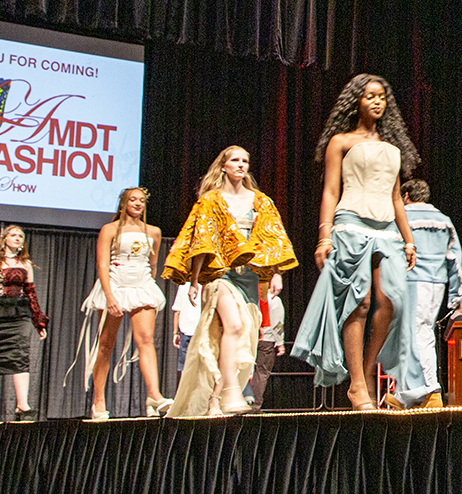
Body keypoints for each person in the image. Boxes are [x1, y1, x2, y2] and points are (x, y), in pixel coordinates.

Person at [291, 74, 421, 410]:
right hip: (351, 225)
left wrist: (408, 241)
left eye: (382, 97)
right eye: (370, 96)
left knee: (392, 302)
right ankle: (358, 387)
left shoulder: (393, 148)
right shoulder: (341, 142)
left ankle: (364, 370)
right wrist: (324, 236)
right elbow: (331, 191)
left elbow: (396, 198)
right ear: (356, 102)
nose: (377, 102)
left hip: (387, 230)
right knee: (359, 302)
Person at [162, 146, 298, 416]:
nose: (241, 164)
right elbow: (202, 241)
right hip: (220, 274)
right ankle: (233, 392)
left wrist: (276, 273)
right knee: (233, 326)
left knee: (241, 336)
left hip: (249, 277)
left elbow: (274, 240)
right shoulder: (211, 200)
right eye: (235, 160)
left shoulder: (261, 201)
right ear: (223, 166)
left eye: (245, 160)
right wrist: (194, 281)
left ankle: (216, 398)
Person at [70, 188, 171, 419]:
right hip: (115, 284)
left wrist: (147, 285)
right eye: (133, 199)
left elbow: (153, 264)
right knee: (106, 344)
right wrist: (109, 296)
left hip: (141, 284)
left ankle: (154, 395)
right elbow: (103, 265)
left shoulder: (153, 231)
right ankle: (98, 401)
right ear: (123, 203)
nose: (138, 204)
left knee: (146, 340)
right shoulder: (110, 229)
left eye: (142, 200)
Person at [387, 179, 462, 409]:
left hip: (412, 281)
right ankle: (406, 392)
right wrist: (457, 293)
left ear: (405, 196)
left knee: (415, 334)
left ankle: (429, 390)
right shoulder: (444, 220)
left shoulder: (403, 218)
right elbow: (455, 258)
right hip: (437, 283)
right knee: (422, 333)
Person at [0, 225, 48, 421]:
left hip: (19, 314)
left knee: (21, 355)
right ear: (4, 238)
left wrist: (38, 322)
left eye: (21, 236)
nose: (17, 238)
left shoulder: (26, 264)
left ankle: (22, 404)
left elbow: (31, 295)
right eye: (13, 235)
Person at [249, 273, 286, 411]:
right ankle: (254, 406)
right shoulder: (274, 300)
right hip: (267, 340)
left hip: (251, 338)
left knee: (248, 370)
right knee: (261, 373)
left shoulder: (252, 295)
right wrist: (280, 343)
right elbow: (277, 324)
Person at [172, 283, 200, 373]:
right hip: (200, 330)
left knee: (185, 369)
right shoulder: (207, 284)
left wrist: (175, 333)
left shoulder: (183, 286)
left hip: (187, 331)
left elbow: (177, 312)